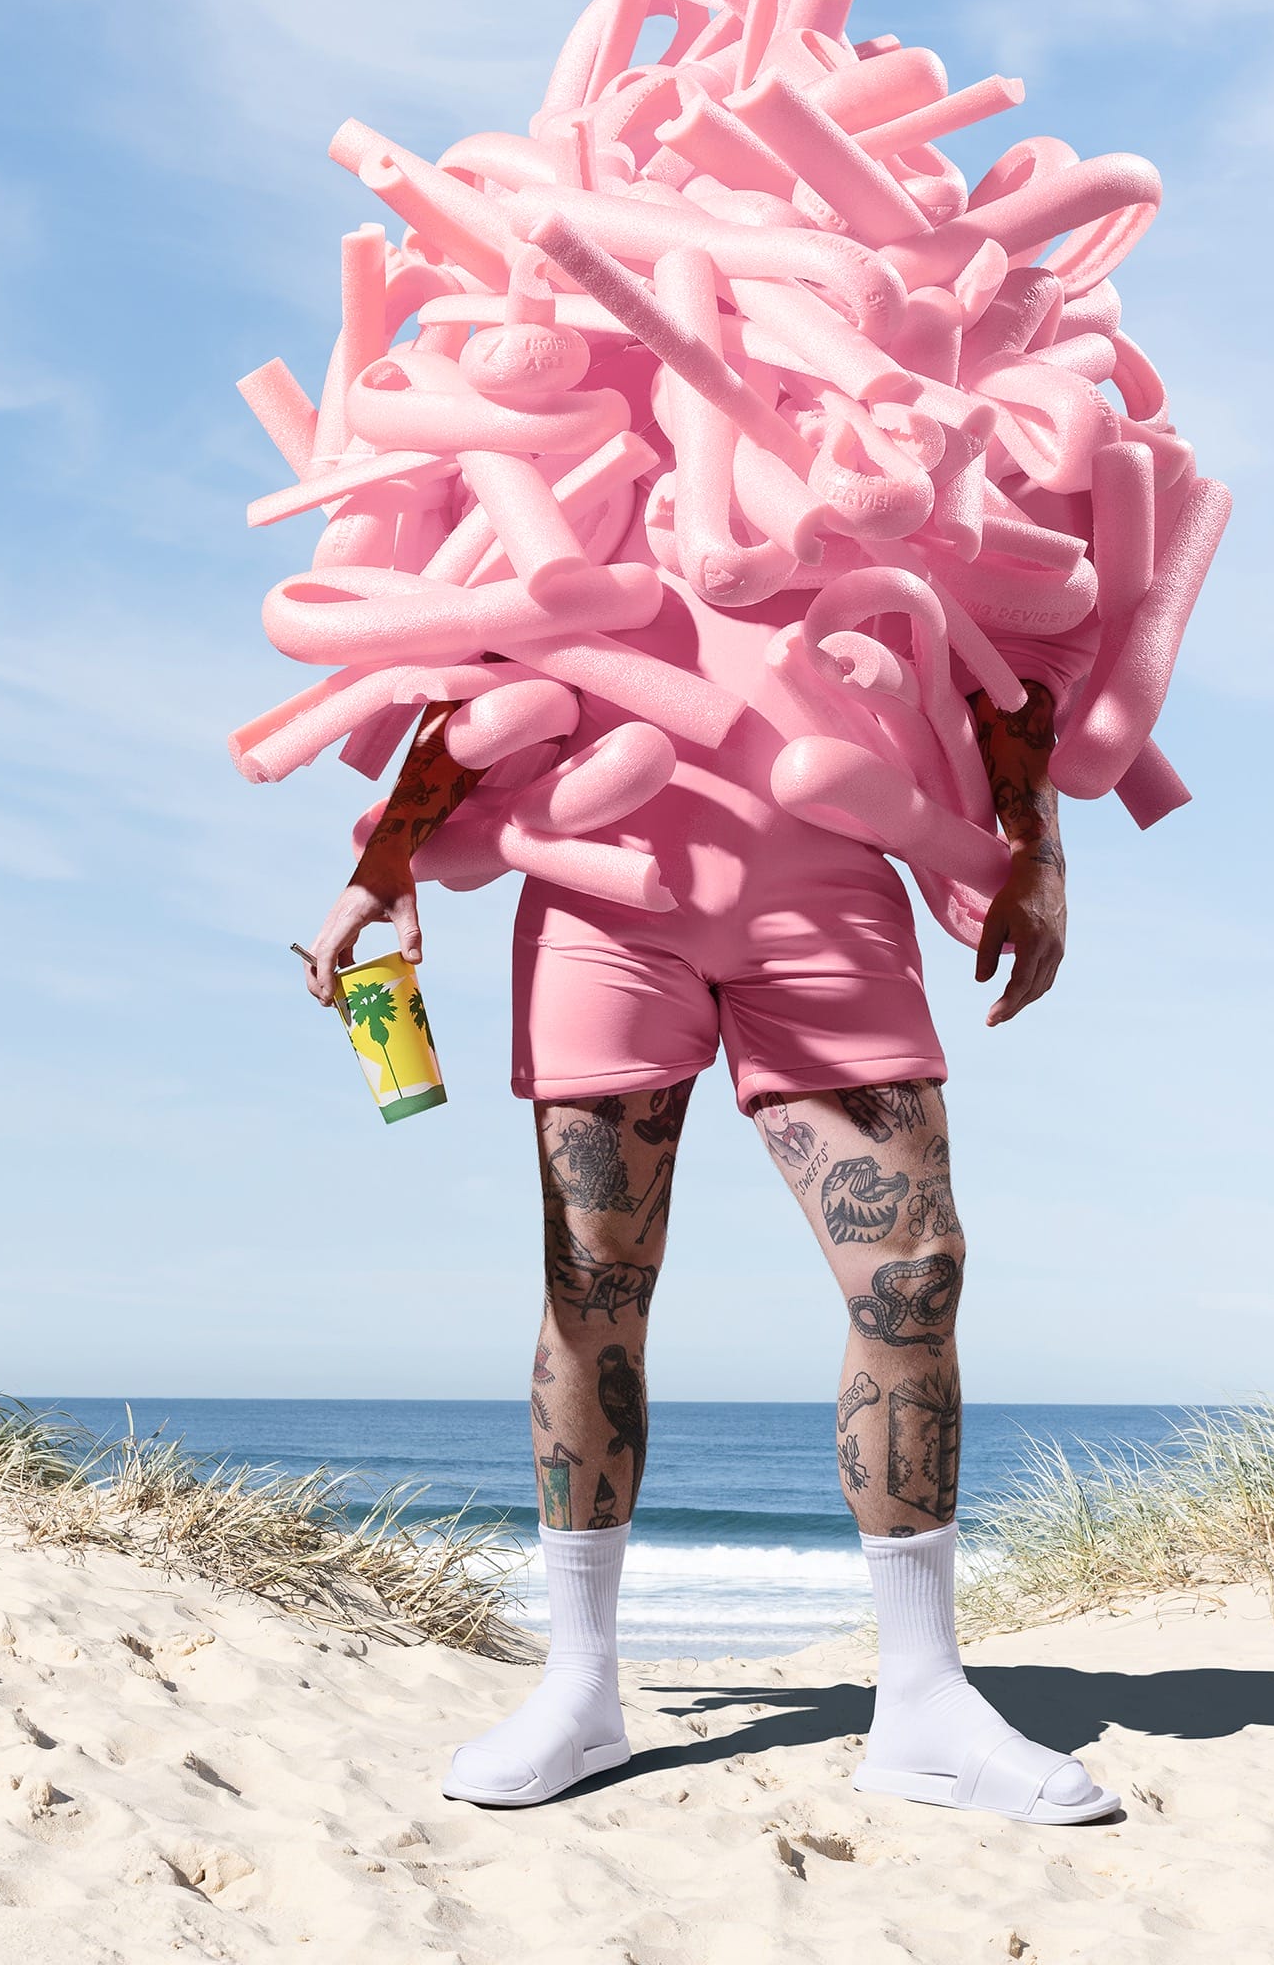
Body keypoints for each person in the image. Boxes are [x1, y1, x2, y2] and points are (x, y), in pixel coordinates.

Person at [301, 579, 1117, 1826]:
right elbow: (478, 673)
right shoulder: (590, 446)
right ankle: (578, 1689)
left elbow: (988, 658)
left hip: (826, 893)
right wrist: (381, 863)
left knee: (913, 1271)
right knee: (591, 1284)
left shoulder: (866, 420)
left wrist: (1037, 855)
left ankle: (923, 1701)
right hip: (601, 905)